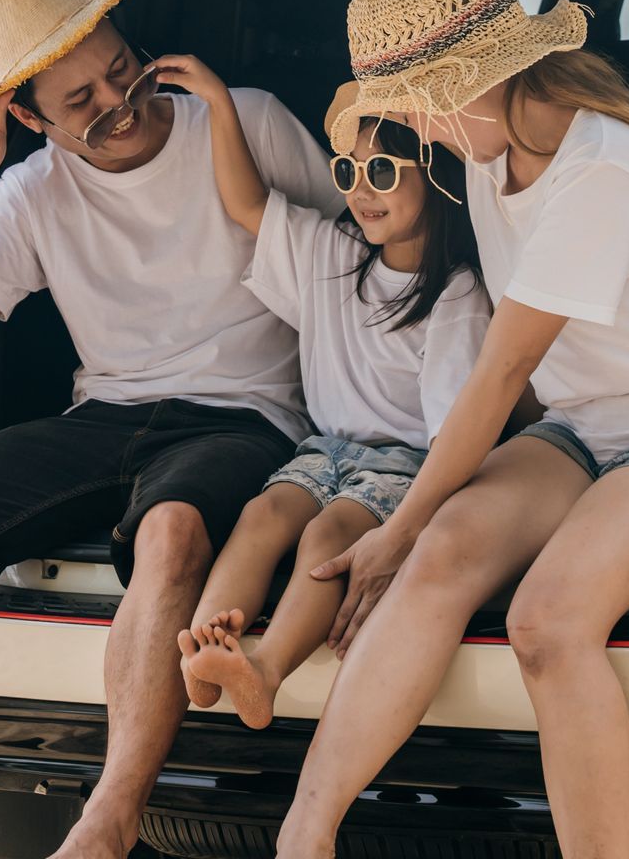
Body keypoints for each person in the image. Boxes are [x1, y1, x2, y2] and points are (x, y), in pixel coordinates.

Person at [0, 0, 344, 859]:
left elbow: (370, 252)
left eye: (122, 69)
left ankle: (106, 825)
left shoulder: (243, 119)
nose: (120, 101)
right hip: (104, 416)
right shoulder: (29, 192)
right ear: (27, 116)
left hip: (244, 414)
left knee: (173, 533)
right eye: (81, 100)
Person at [275, 0, 629, 858]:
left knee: (546, 621)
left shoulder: (603, 169)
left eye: (409, 107)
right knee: (442, 554)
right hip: (590, 421)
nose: (407, 129)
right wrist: (414, 530)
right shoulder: (490, 152)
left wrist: (389, 528)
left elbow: (502, 372)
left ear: (461, 84)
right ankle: (303, 837)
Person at [151, 55, 490, 728]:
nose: (362, 190)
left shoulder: (457, 295)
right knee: (261, 518)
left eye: (384, 172)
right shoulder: (331, 253)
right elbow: (247, 204)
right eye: (350, 171)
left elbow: (457, 433)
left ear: (440, 180)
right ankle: (203, 648)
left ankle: (266, 670)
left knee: (327, 536)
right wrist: (221, 101)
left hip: (404, 464)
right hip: (322, 449)